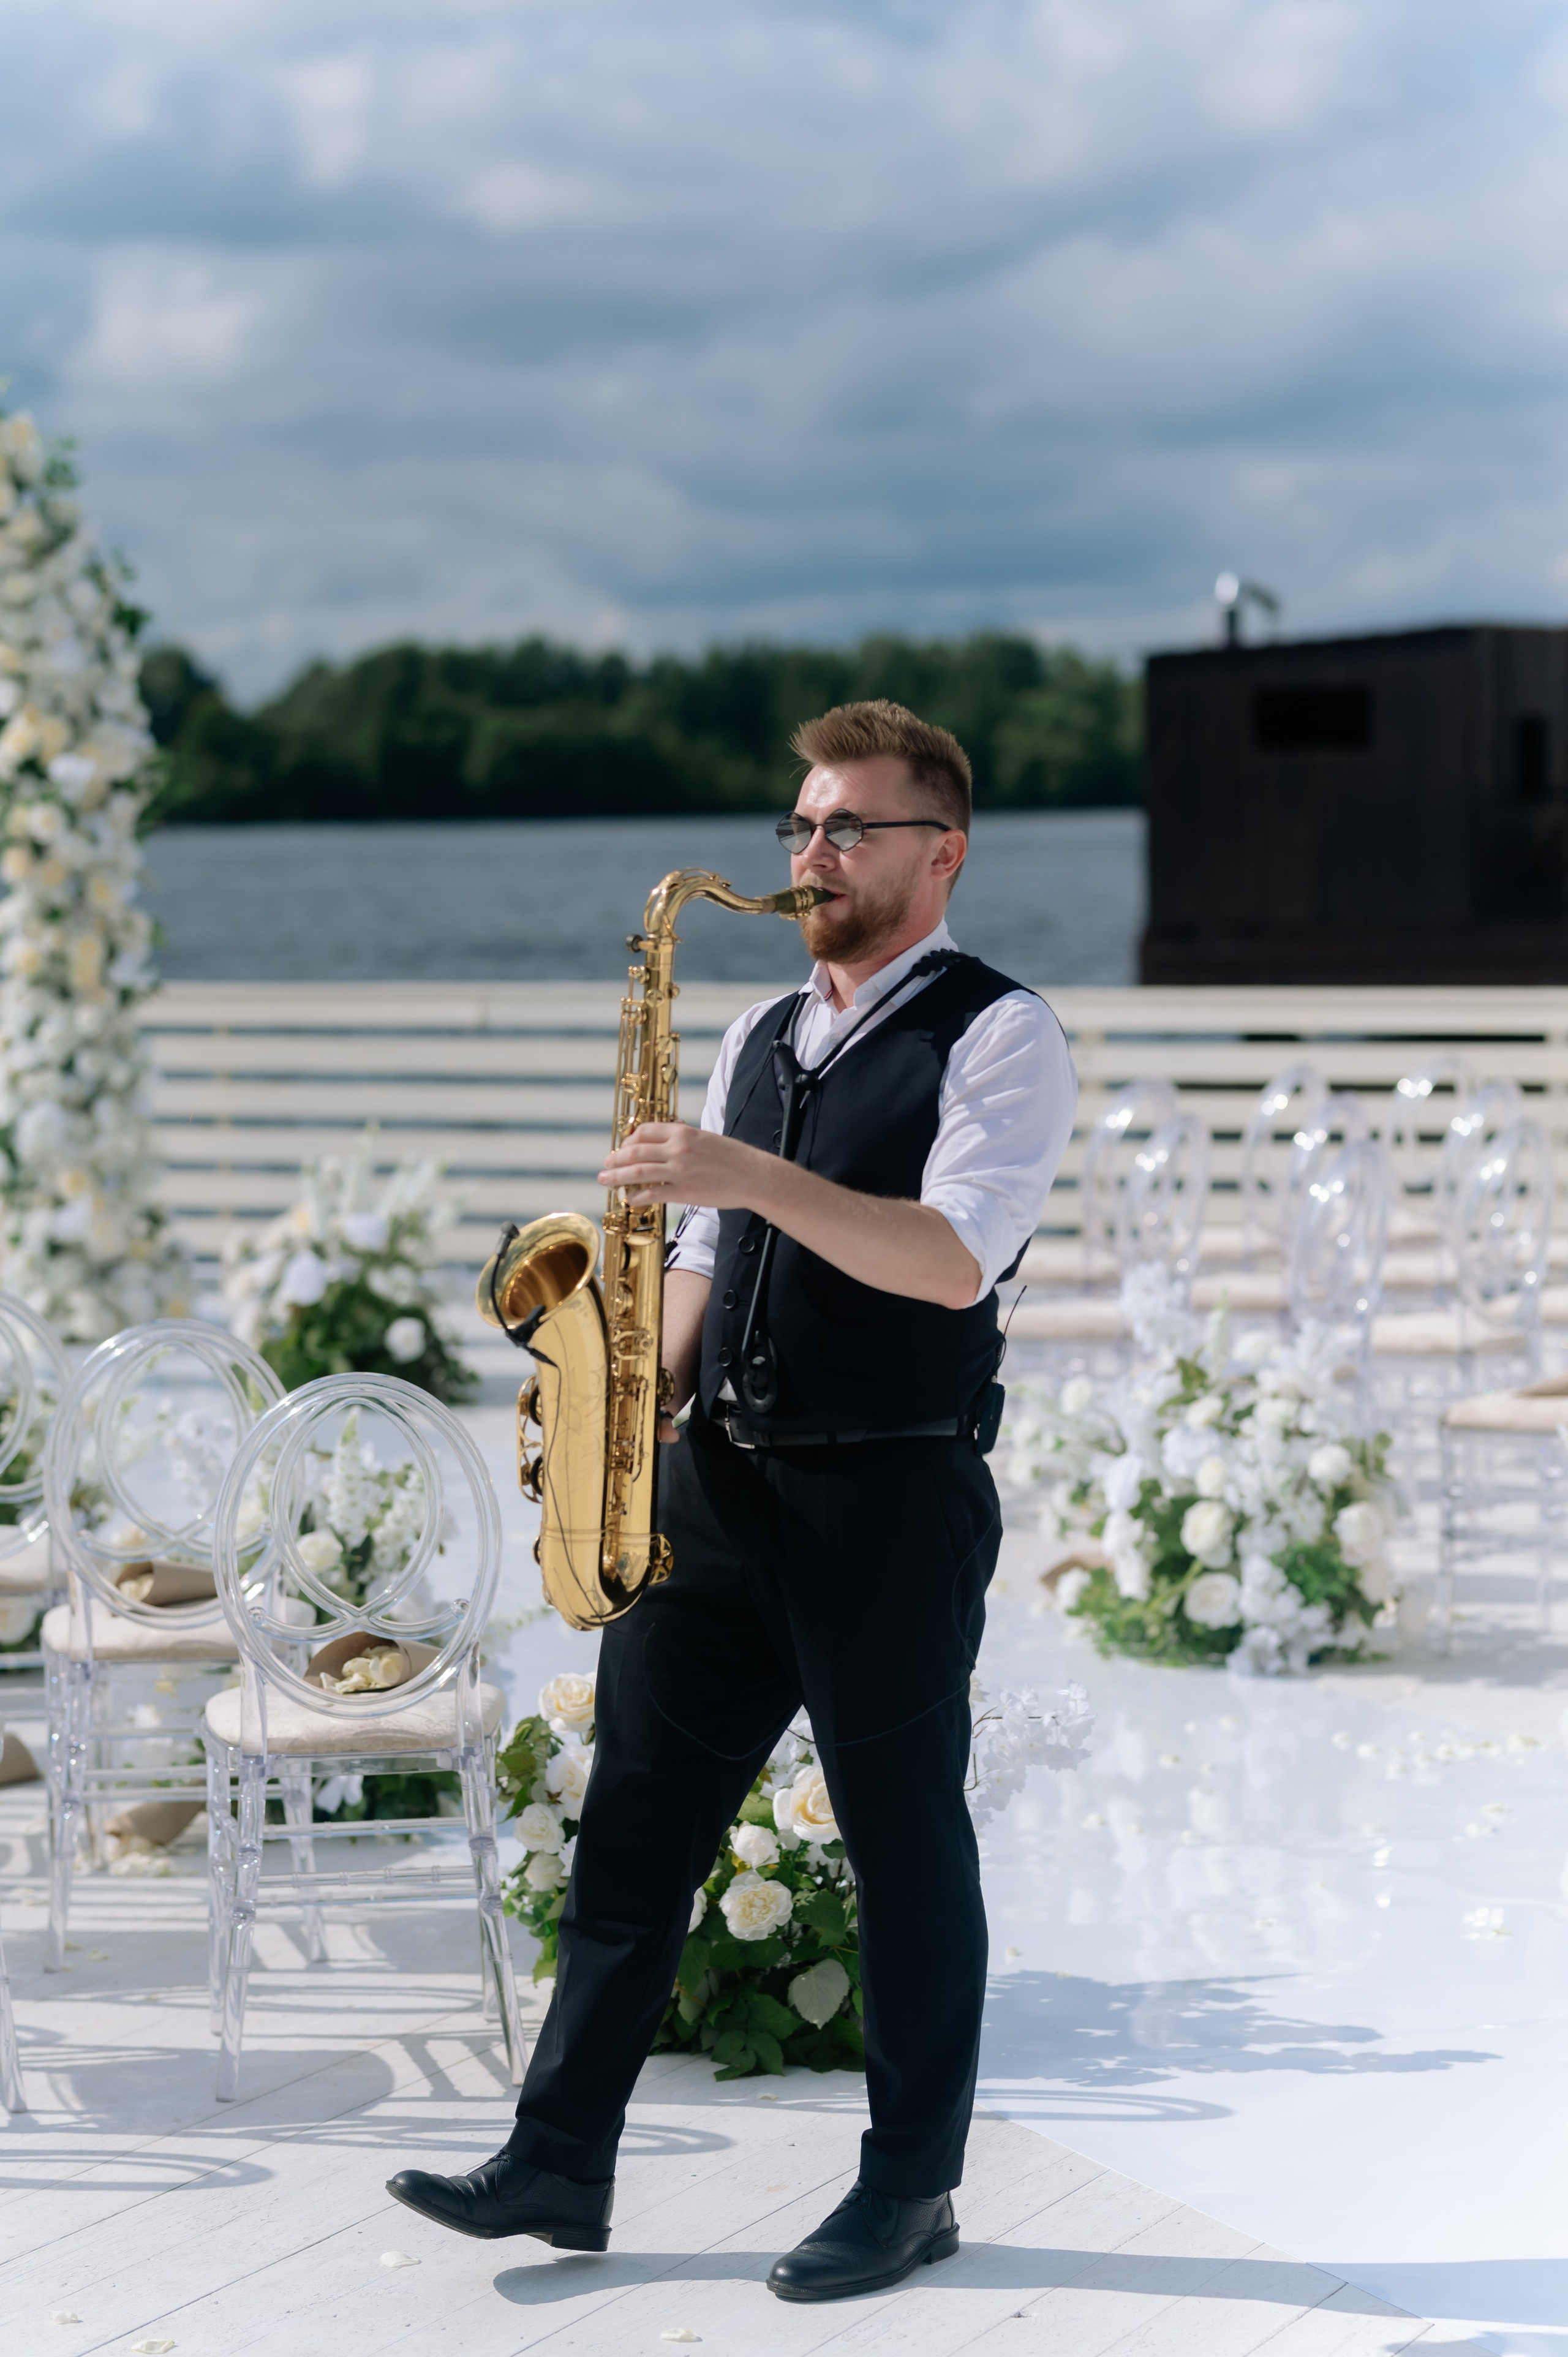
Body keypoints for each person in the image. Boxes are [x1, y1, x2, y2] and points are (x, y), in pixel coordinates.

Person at [388, 698, 1077, 2300]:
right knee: (633, 1826)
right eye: (802, 825)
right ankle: (559, 2156)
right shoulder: (759, 1030)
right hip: (718, 1488)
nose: (812, 854)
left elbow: (955, 1257)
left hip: (889, 1498)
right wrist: (624, 1394)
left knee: (908, 1854)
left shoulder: (1002, 1032)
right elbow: (702, 1252)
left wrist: (743, 1172)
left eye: (849, 827)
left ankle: (911, 2191)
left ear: (941, 853)